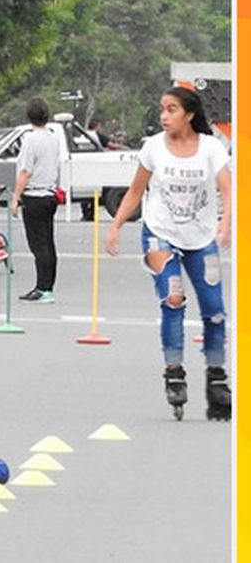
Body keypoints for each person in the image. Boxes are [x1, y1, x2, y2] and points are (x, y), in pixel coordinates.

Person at [105, 86, 233, 420]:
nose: (164, 116)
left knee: (215, 310)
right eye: (162, 109)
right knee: (173, 300)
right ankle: (174, 371)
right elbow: (136, 190)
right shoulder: (153, 148)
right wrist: (116, 225)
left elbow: (227, 186)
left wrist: (226, 222)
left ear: (189, 114)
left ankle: (216, 377)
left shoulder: (210, 148)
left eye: (172, 109)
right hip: (160, 233)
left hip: (201, 237)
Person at [11, 97, 60, 303]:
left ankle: (42, 288)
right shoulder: (53, 137)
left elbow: (25, 171)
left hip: (34, 195)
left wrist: (15, 196)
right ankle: (48, 286)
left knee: (38, 245)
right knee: (48, 242)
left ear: (29, 116)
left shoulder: (31, 139)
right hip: (50, 194)